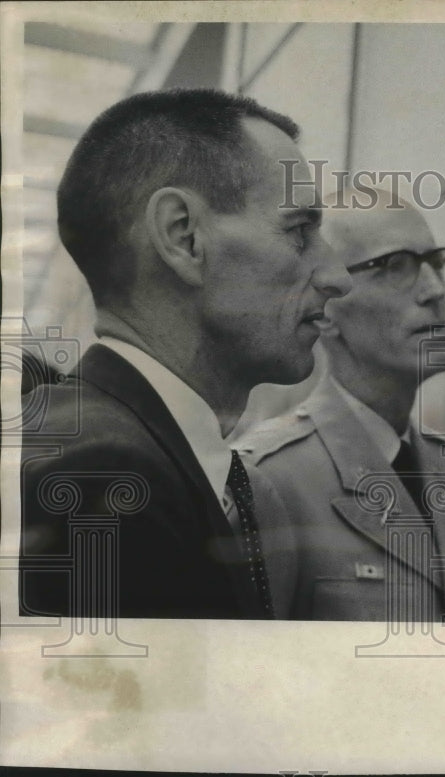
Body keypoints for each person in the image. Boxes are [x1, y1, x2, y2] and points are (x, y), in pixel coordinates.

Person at [19, 89, 352, 619]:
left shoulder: (120, 448)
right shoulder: (110, 479)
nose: (337, 276)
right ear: (184, 236)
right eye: (299, 230)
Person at [238, 191, 445, 622]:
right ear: (327, 309)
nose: (434, 290)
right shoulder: (267, 482)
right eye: (396, 266)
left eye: (436, 263)